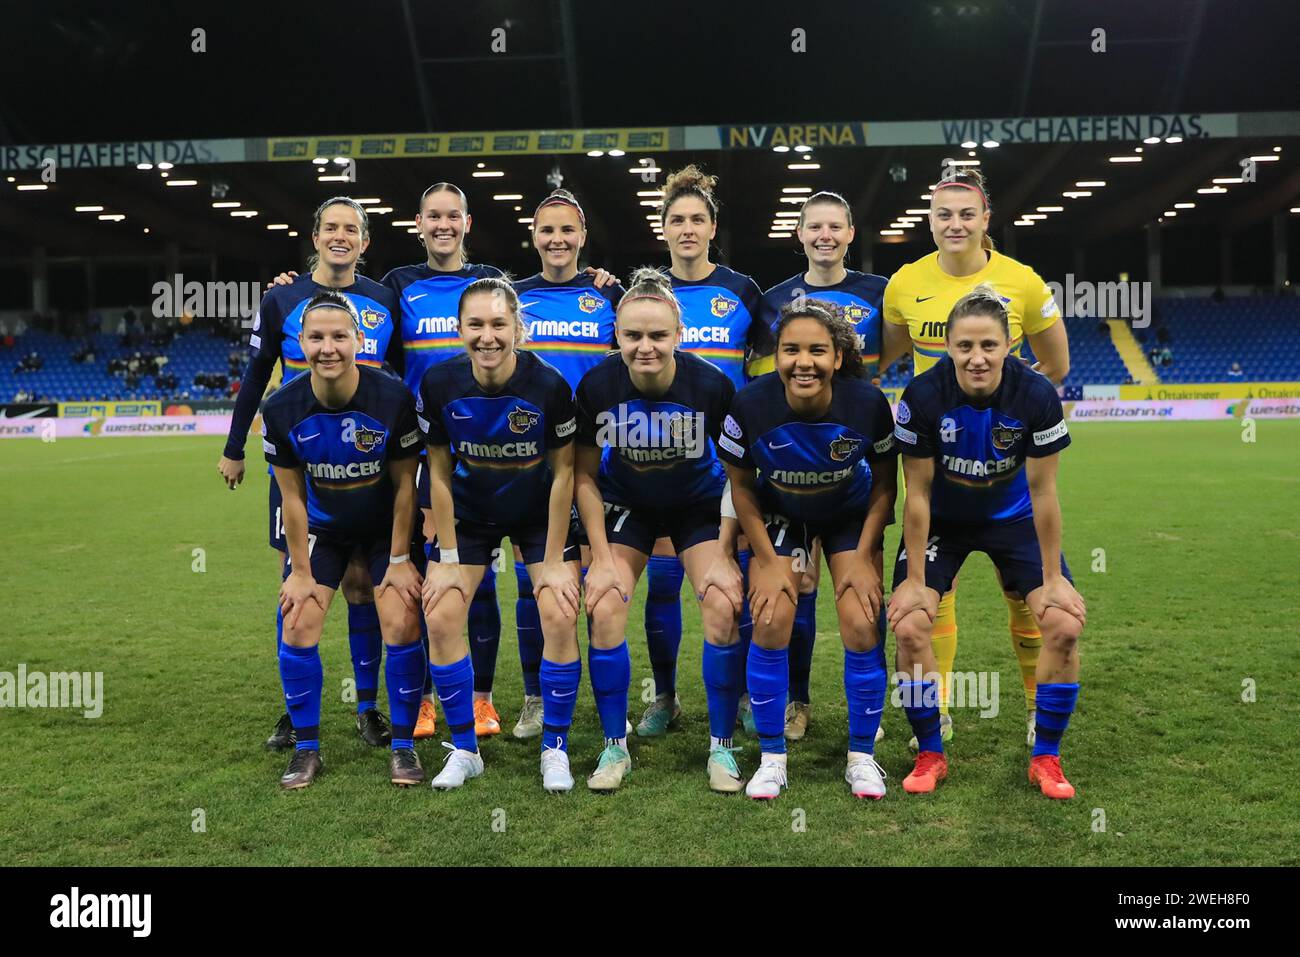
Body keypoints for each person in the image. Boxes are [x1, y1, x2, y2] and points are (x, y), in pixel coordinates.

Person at [879, 166, 1070, 750]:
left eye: (967, 213)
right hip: (933, 471)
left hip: (1005, 475)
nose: (955, 223)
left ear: (987, 219)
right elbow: (881, 362)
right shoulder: (904, 283)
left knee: (1027, 601)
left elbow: (1054, 367)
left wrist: (1010, 415)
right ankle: (935, 717)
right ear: (930, 222)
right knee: (927, 608)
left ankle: (1040, 713)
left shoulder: (1024, 282)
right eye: (944, 214)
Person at [217, 197, 402, 752]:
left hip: (367, 460)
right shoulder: (281, 298)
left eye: (351, 229)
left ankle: (368, 707)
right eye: (330, 228)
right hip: (300, 463)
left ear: (364, 242)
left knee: (362, 584)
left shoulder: (383, 299)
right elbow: (255, 376)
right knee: (296, 584)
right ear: (315, 236)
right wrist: (234, 448)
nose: (340, 237)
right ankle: (297, 712)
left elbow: (401, 373)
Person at [887, 285, 1085, 799]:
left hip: (1013, 518)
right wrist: (912, 582)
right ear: (949, 346)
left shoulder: (1036, 395)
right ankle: (930, 751)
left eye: (989, 346)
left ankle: (1047, 757)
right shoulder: (924, 396)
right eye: (966, 347)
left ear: (1010, 347)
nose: (977, 358)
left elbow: (1043, 492)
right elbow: (918, 494)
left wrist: (1052, 578)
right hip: (943, 523)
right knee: (909, 627)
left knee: (1062, 624)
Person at [574, 268, 745, 792]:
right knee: (604, 604)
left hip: (697, 506)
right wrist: (601, 557)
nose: (644, 347)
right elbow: (582, 473)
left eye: (657, 335)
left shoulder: (712, 385)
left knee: (720, 601)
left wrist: (722, 550)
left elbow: (739, 476)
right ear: (617, 336)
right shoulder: (598, 384)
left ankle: (722, 748)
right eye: (632, 335)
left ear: (679, 335)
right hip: (629, 504)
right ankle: (613, 747)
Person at [719, 299, 897, 799]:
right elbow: (742, 487)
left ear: (837, 358)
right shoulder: (750, 404)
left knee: (862, 621)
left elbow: (886, 487)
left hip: (847, 516)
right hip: (781, 515)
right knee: (772, 618)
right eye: (791, 349)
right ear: (776, 356)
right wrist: (769, 560)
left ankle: (862, 756)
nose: (804, 361)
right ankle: (773, 757)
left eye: (817, 350)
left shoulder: (867, 404)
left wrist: (863, 558)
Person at [417, 277, 583, 791]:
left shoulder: (550, 385)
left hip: (538, 514)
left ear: (518, 328)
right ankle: (465, 749)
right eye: (475, 325)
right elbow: (439, 474)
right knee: (441, 613)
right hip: (471, 513)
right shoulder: (440, 385)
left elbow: (563, 475)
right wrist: (444, 555)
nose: (487, 336)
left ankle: (554, 748)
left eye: (498, 324)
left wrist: (554, 557)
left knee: (557, 609)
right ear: (458, 328)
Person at [260, 290, 425, 789]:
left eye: (338, 336)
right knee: (298, 621)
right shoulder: (281, 407)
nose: (327, 347)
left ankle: (402, 746)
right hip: (323, 530)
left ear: (358, 340)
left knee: (400, 617)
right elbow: (290, 498)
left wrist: (399, 560)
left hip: (383, 530)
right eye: (316, 337)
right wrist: (301, 573)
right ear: (300, 343)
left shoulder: (393, 398)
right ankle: (306, 750)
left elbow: (404, 487)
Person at [636, 164, 773, 740]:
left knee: (733, 584)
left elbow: (767, 376)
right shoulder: (641, 292)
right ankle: (664, 696)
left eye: (697, 219)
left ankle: (741, 693)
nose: (687, 228)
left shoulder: (743, 292)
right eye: (676, 220)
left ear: (712, 226)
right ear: (663, 229)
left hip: (729, 465)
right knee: (665, 582)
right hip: (662, 459)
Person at [757, 190, 888, 742]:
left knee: (862, 595)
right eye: (815, 227)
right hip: (788, 469)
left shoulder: (881, 294)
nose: (825, 235)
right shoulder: (772, 300)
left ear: (851, 233)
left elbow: (895, 359)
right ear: (801, 234)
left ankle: (867, 713)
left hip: (851, 464)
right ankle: (797, 700)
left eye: (836, 225)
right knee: (798, 589)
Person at [494, 188, 624, 740]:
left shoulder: (608, 297)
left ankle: (611, 703)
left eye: (567, 230)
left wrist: (616, 287)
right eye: (547, 230)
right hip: (534, 463)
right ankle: (536, 697)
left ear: (583, 237)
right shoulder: (513, 298)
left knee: (605, 585)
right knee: (536, 585)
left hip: (599, 460)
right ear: (534, 236)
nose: (557, 240)